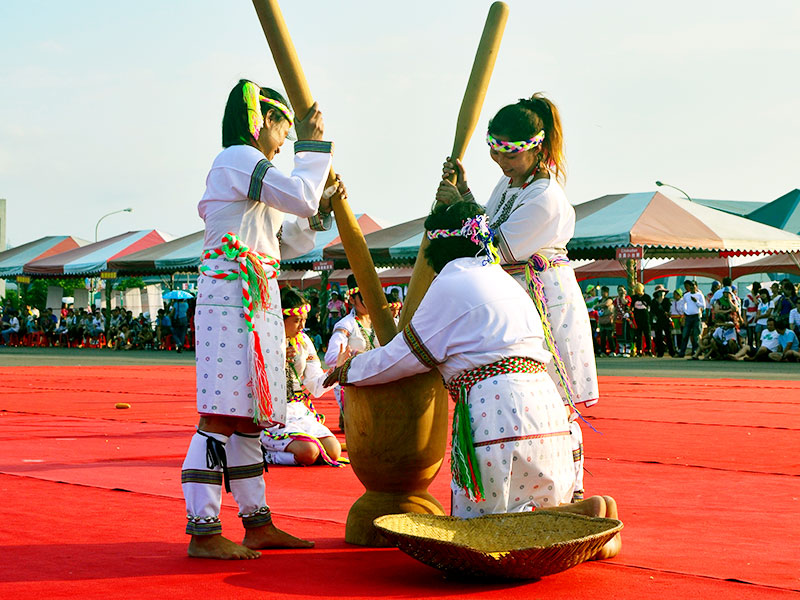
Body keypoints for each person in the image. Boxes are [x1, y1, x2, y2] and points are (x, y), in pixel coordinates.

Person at [324, 202, 619, 559]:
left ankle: (579, 516)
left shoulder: (451, 284)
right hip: (546, 406)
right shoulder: (504, 280)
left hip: (498, 409)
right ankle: (581, 523)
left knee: (480, 537)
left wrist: (349, 371)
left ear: (434, 248)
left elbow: (403, 357)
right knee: (522, 519)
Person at [181, 78, 342, 560]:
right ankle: (204, 530)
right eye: (284, 129)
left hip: (254, 295)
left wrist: (319, 212)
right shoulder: (237, 157)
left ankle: (257, 523)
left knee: (250, 419)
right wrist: (314, 152)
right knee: (220, 415)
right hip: (233, 295)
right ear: (262, 122)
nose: (285, 139)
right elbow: (300, 196)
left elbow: (289, 238)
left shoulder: (250, 171)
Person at [437, 93, 598, 499]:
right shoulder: (509, 184)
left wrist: (458, 207)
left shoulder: (545, 197)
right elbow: (485, 225)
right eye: (496, 155)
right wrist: (466, 190)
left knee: (557, 401)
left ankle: (573, 492)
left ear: (537, 148)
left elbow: (492, 249)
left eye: (511, 157)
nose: (503, 164)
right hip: (516, 299)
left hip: (546, 304)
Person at [260, 287, 348, 466]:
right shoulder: (262, 340)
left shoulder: (303, 341)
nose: (302, 326)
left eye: (304, 320)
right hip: (272, 413)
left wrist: (336, 370)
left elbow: (315, 386)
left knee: (333, 451)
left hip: (298, 410)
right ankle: (266, 454)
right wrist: (275, 359)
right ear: (279, 319)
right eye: (296, 321)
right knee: (309, 452)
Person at [324, 274, 380, 431]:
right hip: (356, 383)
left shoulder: (381, 321)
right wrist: (358, 356)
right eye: (364, 297)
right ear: (353, 300)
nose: (369, 301)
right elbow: (331, 357)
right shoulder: (347, 324)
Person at [677, 280, 706, 358]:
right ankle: (682, 352)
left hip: (696, 316)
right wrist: (686, 311)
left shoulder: (699, 295)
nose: (692, 287)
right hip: (689, 316)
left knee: (696, 335)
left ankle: (695, 352)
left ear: (696, 286)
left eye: (693, 285)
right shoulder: (686, 295)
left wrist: (696, 302)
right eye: (691, 286)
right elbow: (683, 304)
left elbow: (703, 306)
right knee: (685, 335)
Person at [650, 285, 675, 357]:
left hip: (666, 320)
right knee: (658, 337)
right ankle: (660, 352)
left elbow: (668, 310)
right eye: (659, 292)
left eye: (662, 291)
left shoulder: (667, 300)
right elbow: (652, 311)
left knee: (669, 336)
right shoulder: (654, 301)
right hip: (658, 320)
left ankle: (672, 352)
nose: (661, 293)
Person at [629, 283, 652, 357]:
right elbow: (631, 307)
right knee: (638, 334)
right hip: (637, 317)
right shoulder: (634, 297)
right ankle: (639, 350)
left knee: (647, 334)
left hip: (645, 317)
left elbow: (650, 307)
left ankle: (649, 349)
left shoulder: (647, 297)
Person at [596, 286, 615, 356]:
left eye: (604, 292)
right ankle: (603, 351)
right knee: (602, 337)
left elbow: (607, 304)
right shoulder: (600, 300)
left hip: (608, 320)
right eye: (602, 292)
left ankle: (613, 350)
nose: (603, 293)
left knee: (610, 337)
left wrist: (598, 305)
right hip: (601, 321)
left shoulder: (609, 299)